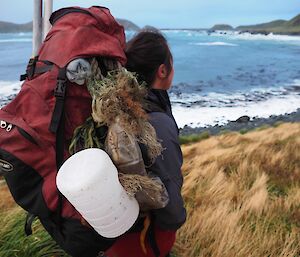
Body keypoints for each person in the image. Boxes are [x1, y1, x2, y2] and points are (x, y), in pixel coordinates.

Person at [105, 30, 186, 257]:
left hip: (114, 233)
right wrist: (176, 222)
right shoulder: (157, 123)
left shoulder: (117, 107)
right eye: (172, 63)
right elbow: (169, 187)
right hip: (143, 242)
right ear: (162, 70)